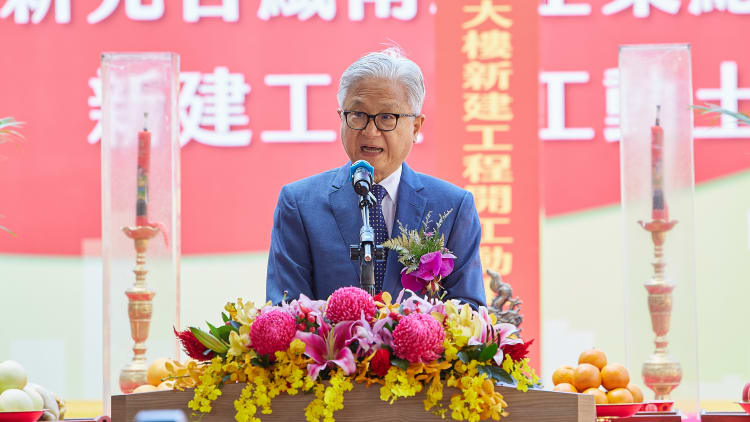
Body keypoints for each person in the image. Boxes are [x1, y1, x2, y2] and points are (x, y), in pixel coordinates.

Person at [266, 49, 486, 307]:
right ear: (341, 118)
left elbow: (469, 313)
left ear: (415, 127)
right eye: (358, 115)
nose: (370, 131)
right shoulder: (300, 204)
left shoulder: (452, 207)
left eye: (386, 117)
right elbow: (285, 308)